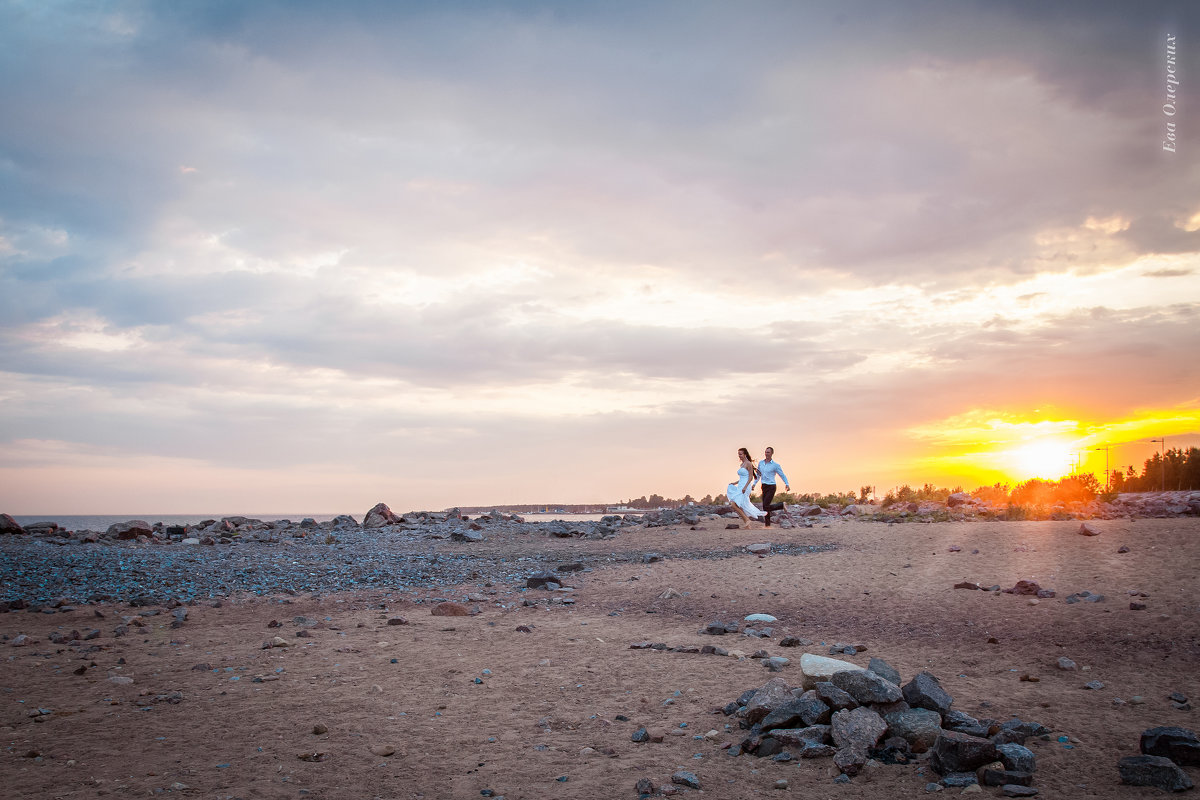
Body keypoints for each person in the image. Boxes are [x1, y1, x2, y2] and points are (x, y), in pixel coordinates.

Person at [726, 447, 767, 528]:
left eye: (740, 454)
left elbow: (750, 477)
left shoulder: (748, 463)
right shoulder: (742, 464)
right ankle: (747, 525)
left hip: (745, 486)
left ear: (745, 454)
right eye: (738, 454)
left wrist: (745, 487)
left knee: (734, 504)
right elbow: (742, 478)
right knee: (739, 504)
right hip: (740, 485)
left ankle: (747, 520)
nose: (739, 456)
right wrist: (735, 483)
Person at [758, 446, 791, 527]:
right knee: (765, 507)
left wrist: (787, 484)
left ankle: (781, 505)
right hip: (764, 486)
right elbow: (758, 475)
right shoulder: (761, 463)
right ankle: (767, 525)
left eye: (768, 452)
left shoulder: (775, 465)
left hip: (771, 486)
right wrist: (754, 484)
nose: (766, 454)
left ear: (772, 453)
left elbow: (782, 475)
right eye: (765, 452)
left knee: (766, 505)